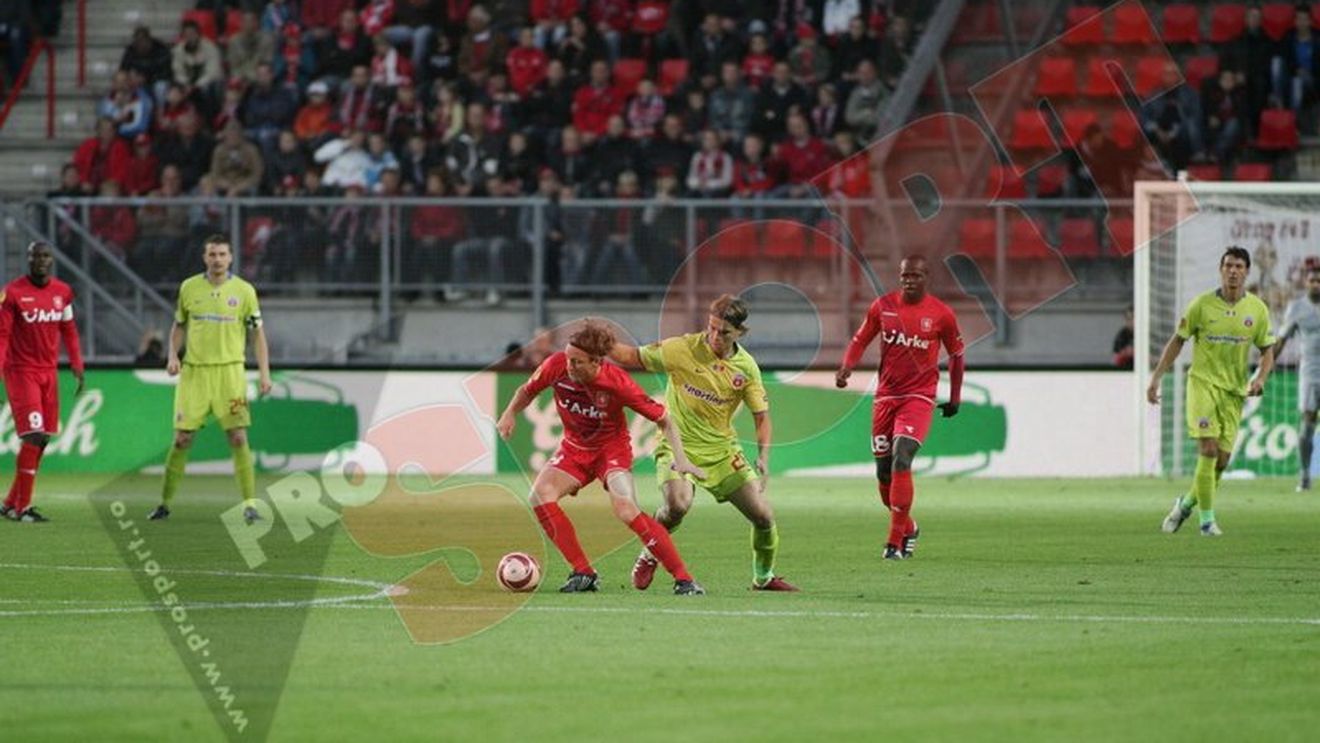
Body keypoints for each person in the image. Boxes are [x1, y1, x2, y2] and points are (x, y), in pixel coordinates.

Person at [496, 321, 707, 595]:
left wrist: (682, 460)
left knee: (626, 511)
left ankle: (684, 580)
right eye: (568, 358)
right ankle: (583, 572)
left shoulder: (617, 383)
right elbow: (526, 391)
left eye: (577, 362)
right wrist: (509, 413)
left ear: (596, 361)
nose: (569, 366)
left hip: (611, 451)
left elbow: (665, 419)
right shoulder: (556, 365)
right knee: (540, 496)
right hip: (574, 449)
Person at [608, 295, 798, 591]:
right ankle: (649, 553)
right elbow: (631, 356)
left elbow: (762, 417)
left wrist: (763, 456)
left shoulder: (746, 369)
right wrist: (600, 342)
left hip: (722, 452)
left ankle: (763, 578)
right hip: (677, 443)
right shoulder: (682, 348)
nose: (714, 337)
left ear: (740, 333)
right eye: (711, 328)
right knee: (676, 506)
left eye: (724, 332)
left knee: (763, 516)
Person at [835, 255, 965, 560]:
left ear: (926, 278)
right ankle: (909, 526)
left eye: (915, 276)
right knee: (884, 476)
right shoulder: (883, 306)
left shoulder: (941, 314)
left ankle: (893, 543)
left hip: (918, 397)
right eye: (904, 275)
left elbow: (957, 355)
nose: (908, 280)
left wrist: (955, 396)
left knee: (902, 458)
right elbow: (860, 340)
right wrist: (846, 367)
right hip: (885, 398)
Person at [1147, 247, 1275, 536]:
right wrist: (1156, 378)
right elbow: (1177, 341)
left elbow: (1267, 350)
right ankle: (1207, 523)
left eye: (1239, 266)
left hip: (1233, 392)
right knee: (1207, 448)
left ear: (1246, 271)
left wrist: (1261, 378)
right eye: (1228, 265)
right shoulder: (1201, 305)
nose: (1233, 271)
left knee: (1222, 461)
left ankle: (1185, 504)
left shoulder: (1257, 309)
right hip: (1202, 385)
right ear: (1220, 269)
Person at [148, 235, 272, 523]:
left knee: (238, 436)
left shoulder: (244, 291)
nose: (217, 259)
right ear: (205, 258)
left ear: (231, 258)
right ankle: (164, 504)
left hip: (230, 373)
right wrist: (172, 355)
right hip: (195, 374)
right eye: (212, 254)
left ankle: (250, 506)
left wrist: (264, 373)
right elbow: (179, 326)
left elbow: (258, 335)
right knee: (182, 439)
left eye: (222, 254)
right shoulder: (189, 288)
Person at [0, 242, 85, 523]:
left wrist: (76, 364)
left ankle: (10, 502)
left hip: (48, 373)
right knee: (33, 436)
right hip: (21, 371)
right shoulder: (12, 293)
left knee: (43, 438)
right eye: (35, 256)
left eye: (45, 256)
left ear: (52, 260)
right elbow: (3, 334)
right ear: (28, 259)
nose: (40, 260)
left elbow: (69, 330)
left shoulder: (63, 293)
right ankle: (22, 508)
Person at [1272, 267, 1320, 490]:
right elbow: (1281, 340)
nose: (1316, 284)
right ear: (1306, 282)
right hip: (1310, 374)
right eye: (1312, 280)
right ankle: (1304, 475)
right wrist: (1265, 368)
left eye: (1319, 280)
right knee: (1307, 424)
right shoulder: (1296, 308)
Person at [1113, 305, 1134, 369]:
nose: (1132, 322)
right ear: (1126, 320)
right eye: (1129, 319)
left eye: (1134, 318)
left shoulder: (1146, 334)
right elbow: (1116, 359)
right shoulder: (1121, 336)